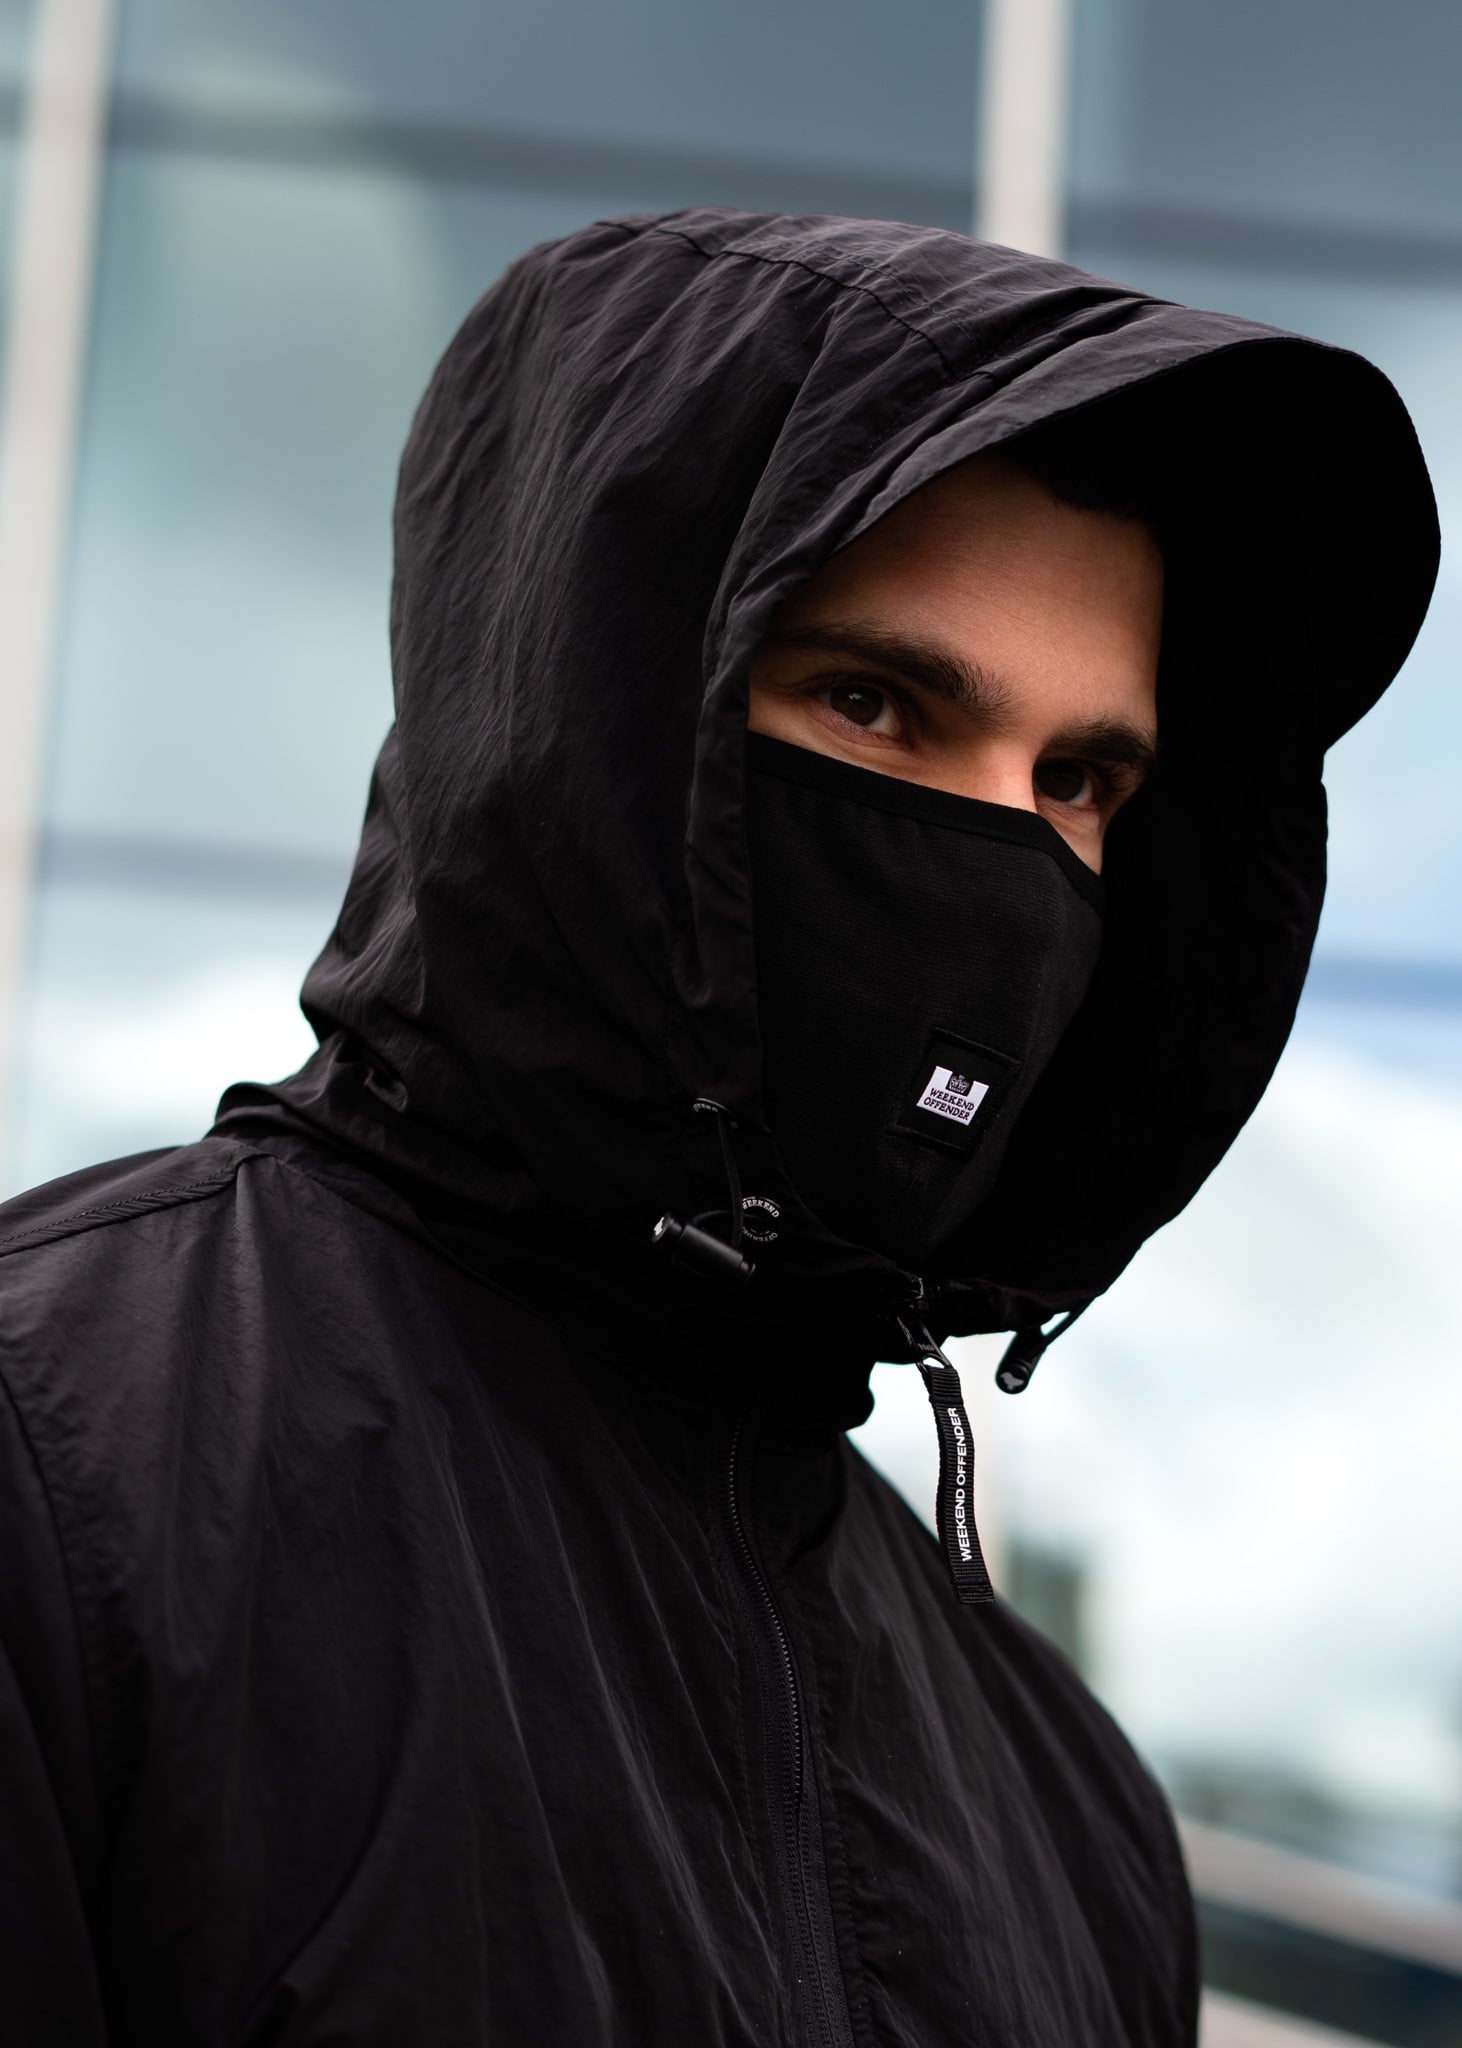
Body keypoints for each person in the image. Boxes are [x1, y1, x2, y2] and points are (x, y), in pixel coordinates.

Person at [0, 209, 1436, 2046]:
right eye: (876, 705)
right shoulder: (62, 1470)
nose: (1004, 865)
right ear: (585, 707)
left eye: (1078, 779)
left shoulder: (1065, 1806)